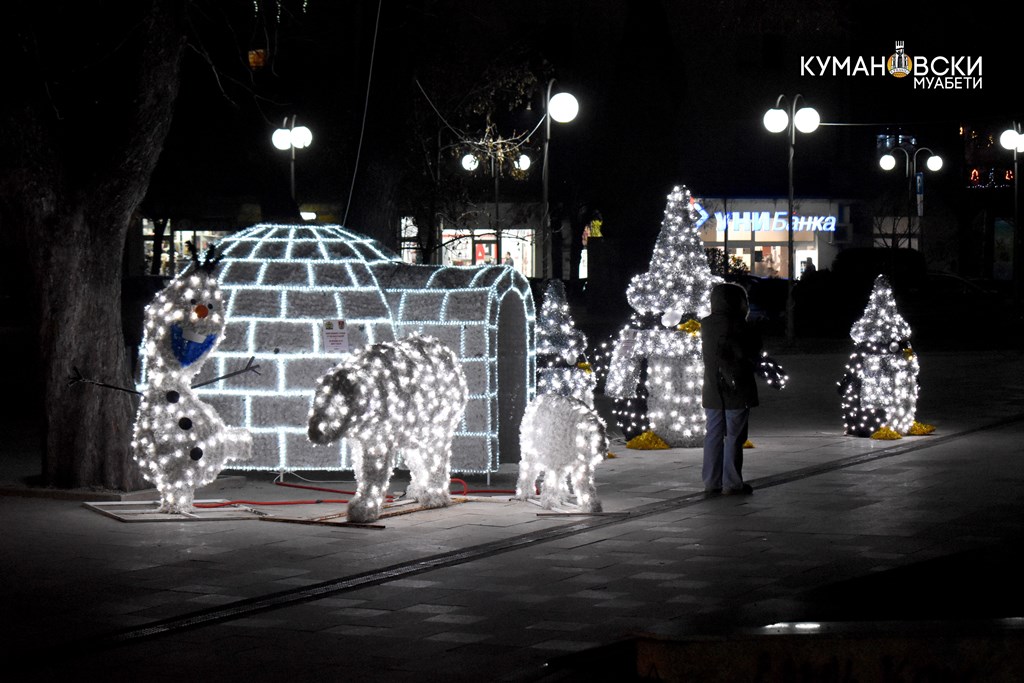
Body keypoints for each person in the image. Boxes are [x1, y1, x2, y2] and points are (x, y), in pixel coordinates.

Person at [700, 282, 762, 496]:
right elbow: (752, 354)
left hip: (712, 388)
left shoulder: (706, 325)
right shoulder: (741, 326)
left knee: (713, 434)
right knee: (735, 435)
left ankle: (711, 481)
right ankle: (733, 482)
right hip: (738, 388)